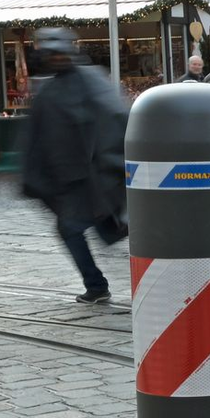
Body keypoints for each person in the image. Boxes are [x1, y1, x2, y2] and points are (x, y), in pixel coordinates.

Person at [20, 27, 129, 304]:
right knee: (77, 228)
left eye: (58, 53)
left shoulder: (88, 82)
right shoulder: (52, 90)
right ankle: (96, 285)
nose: (56, 58)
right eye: (51, 54)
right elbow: (40, 136)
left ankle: (97, 285)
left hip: (92, 177)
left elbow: (114, 119)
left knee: (92, 227)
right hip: (73, 180)